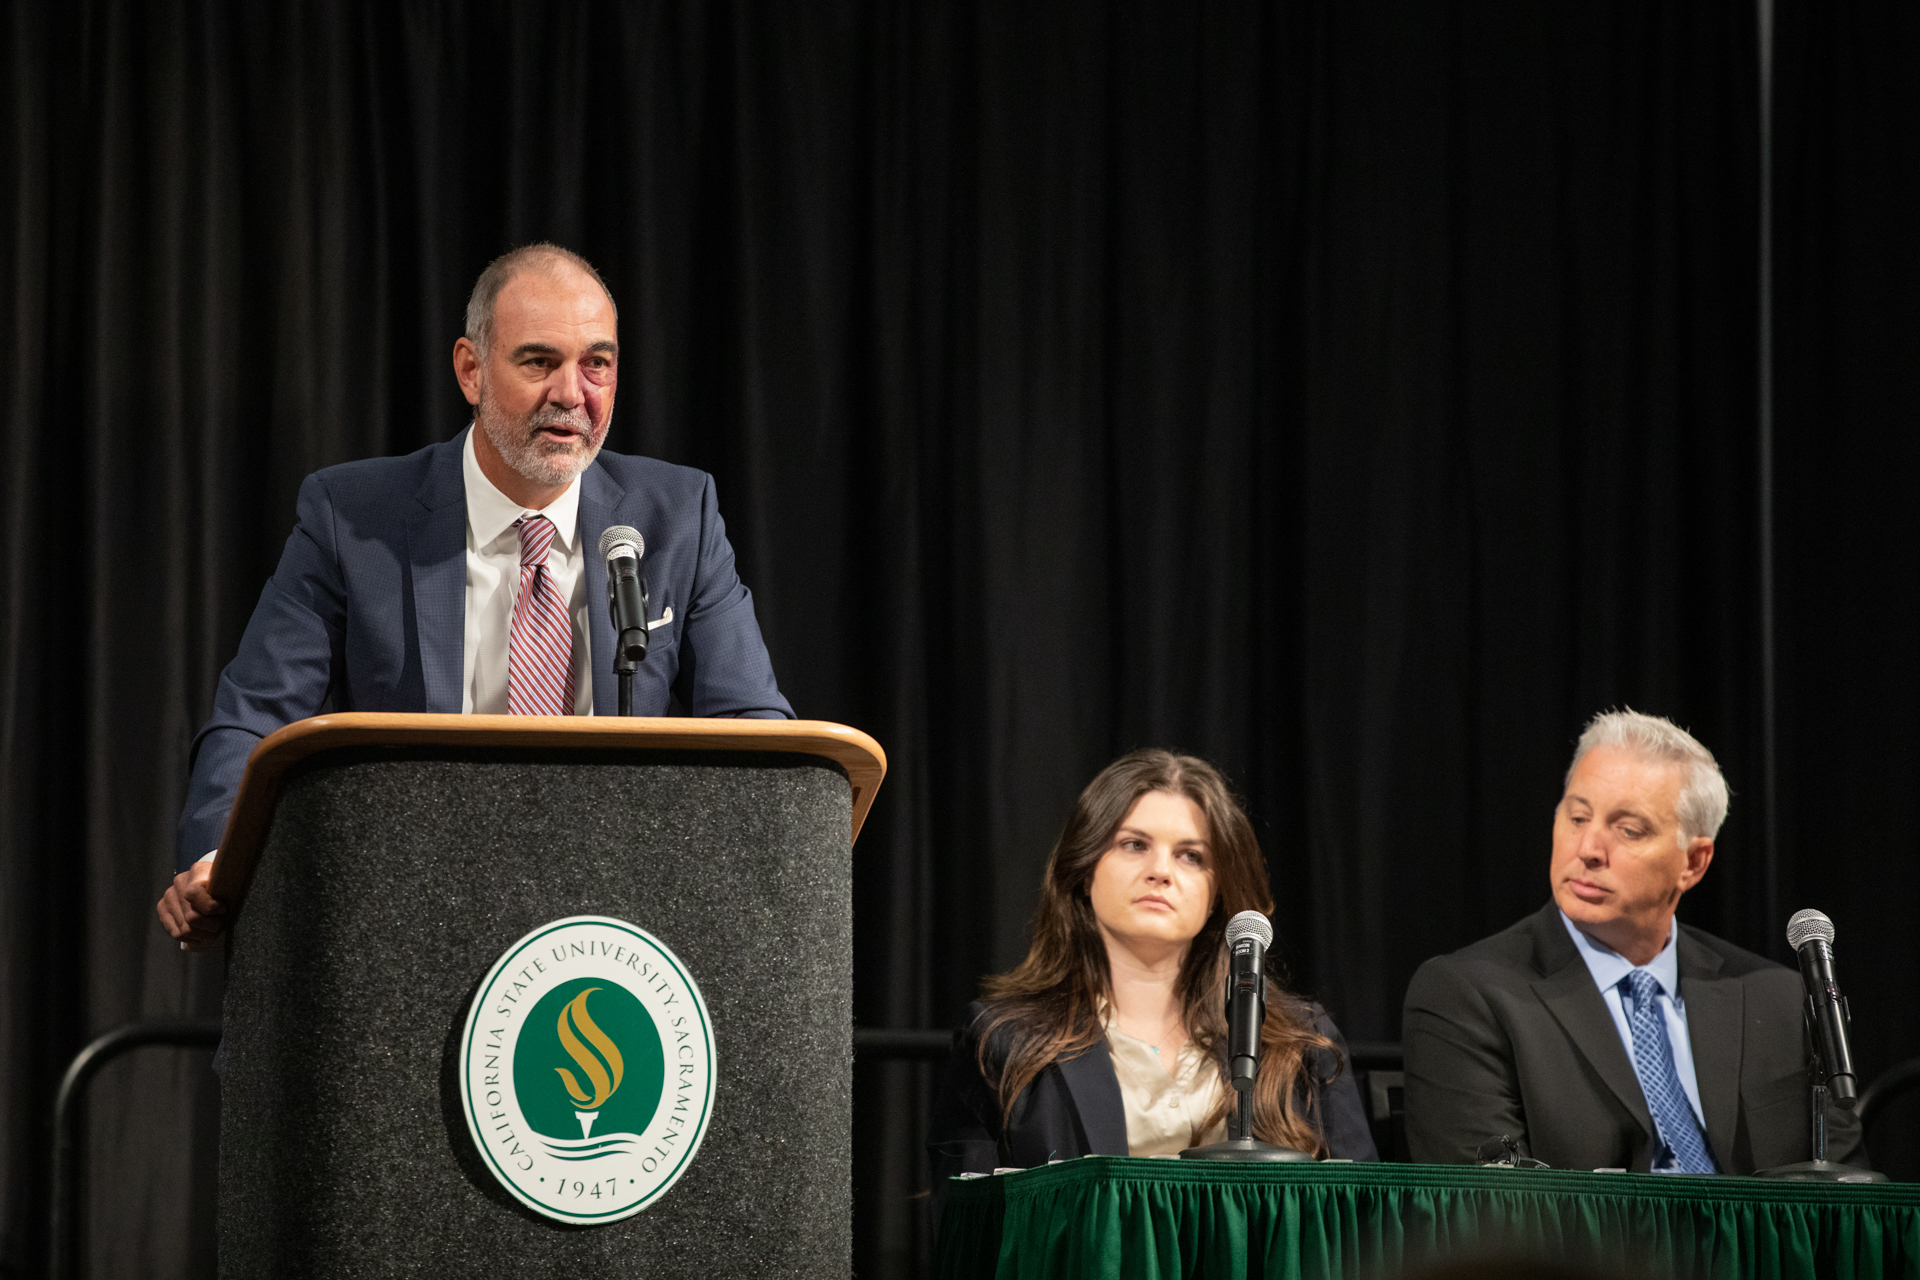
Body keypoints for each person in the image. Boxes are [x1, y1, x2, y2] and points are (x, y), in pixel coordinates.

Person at [156, 243, 791, 949]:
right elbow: (254, 717)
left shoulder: (677, 516)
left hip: (615, 930)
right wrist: (219, 861)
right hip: (411, 920)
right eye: (539, 361)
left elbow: (755, 732)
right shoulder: (354, 517)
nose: (572, 394)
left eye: (597, 364)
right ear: (471, 369)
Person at [1402, 709, 1866, 1173]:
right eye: (1578, 817)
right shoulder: (1467, 995)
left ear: (1694, 863)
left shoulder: (1780, 1000)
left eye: (1628, 830)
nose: (1588, 850)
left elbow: (1853, 1204)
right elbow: (1491, 1212)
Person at [927, 750, 1376, 1219]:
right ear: (1085, 869)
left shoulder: (1300, 1040)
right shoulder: (1001, 1039)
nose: (1161, 871)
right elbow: (965, 1232)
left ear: (1217, 890)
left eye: (1191, 856)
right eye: (1134, 845)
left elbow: (1366, 1224)